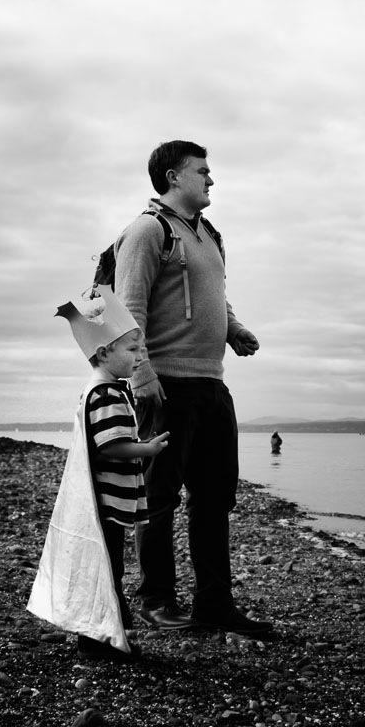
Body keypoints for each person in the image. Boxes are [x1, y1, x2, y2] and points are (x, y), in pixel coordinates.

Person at [115, 139, 266, 635]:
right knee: (158, 499)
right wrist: (141, 373)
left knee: (215, 497)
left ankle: (214, 604)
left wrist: (234, 328)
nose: (211, 179)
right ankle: (156, 601)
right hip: (166, 385)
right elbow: (128, 307)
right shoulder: (147, 231)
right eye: (203, 171)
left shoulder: (211, 235)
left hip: (212, 384)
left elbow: (216, 297)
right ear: (174, 177)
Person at [55, 296, 167, 659]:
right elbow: (110, 446)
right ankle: (99, 640)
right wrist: (147, 449)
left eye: (141, 350)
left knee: (107, 568)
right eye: (133, 349)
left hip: (106, 502)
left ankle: (108, 634)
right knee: (107, 569)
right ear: (103, 352)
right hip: (106, 504)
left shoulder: (107, 389)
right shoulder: (106, 393)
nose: (140, 357)